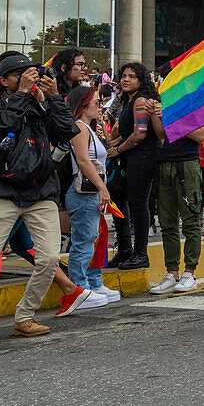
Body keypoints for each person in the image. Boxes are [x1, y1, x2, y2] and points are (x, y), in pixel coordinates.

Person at [0, 53, 79, 336]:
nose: (28, 77)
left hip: (41, 192)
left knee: (49, 259)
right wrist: (22, 94)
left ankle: (24, 317)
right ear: (3, 80)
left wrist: (54, 98)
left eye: (31, 73)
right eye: (19, 74)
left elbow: (67, 131)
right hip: (2, 192)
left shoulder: (41, 103)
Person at [145, 100, 204, 295]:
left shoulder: (202, 100)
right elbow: (160, 134)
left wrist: (170, 113)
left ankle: (190, 272)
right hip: (165, 163)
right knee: (167, 223)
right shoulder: (170, 98)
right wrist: (155, 113)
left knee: (190, 221)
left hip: (188, 164)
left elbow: (200, 135)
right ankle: (171, 273)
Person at [63, 86, 116, 308]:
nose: (100, 105)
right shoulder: (80, 127)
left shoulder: (89, 128)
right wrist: (102, 187)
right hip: (84, 193)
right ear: (83, 105)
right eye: (96, 102)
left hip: (91, 193)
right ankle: (80, 287)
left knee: (93, 239)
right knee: (84, 241)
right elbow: (83, 161)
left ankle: (93, 282)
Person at [105, 62, 161, 270]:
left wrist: (118, 149)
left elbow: (140, 134)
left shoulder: (140, 101)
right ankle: (125, 250)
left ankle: (140, 253)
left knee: (138, 204)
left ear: (141, 81)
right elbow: (128, 133)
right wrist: (115, 143)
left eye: (132, 76)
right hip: (130, 156)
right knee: (119, 201)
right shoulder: (127, 100)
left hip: (143, 156)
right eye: (124, 76)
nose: (126, 79)